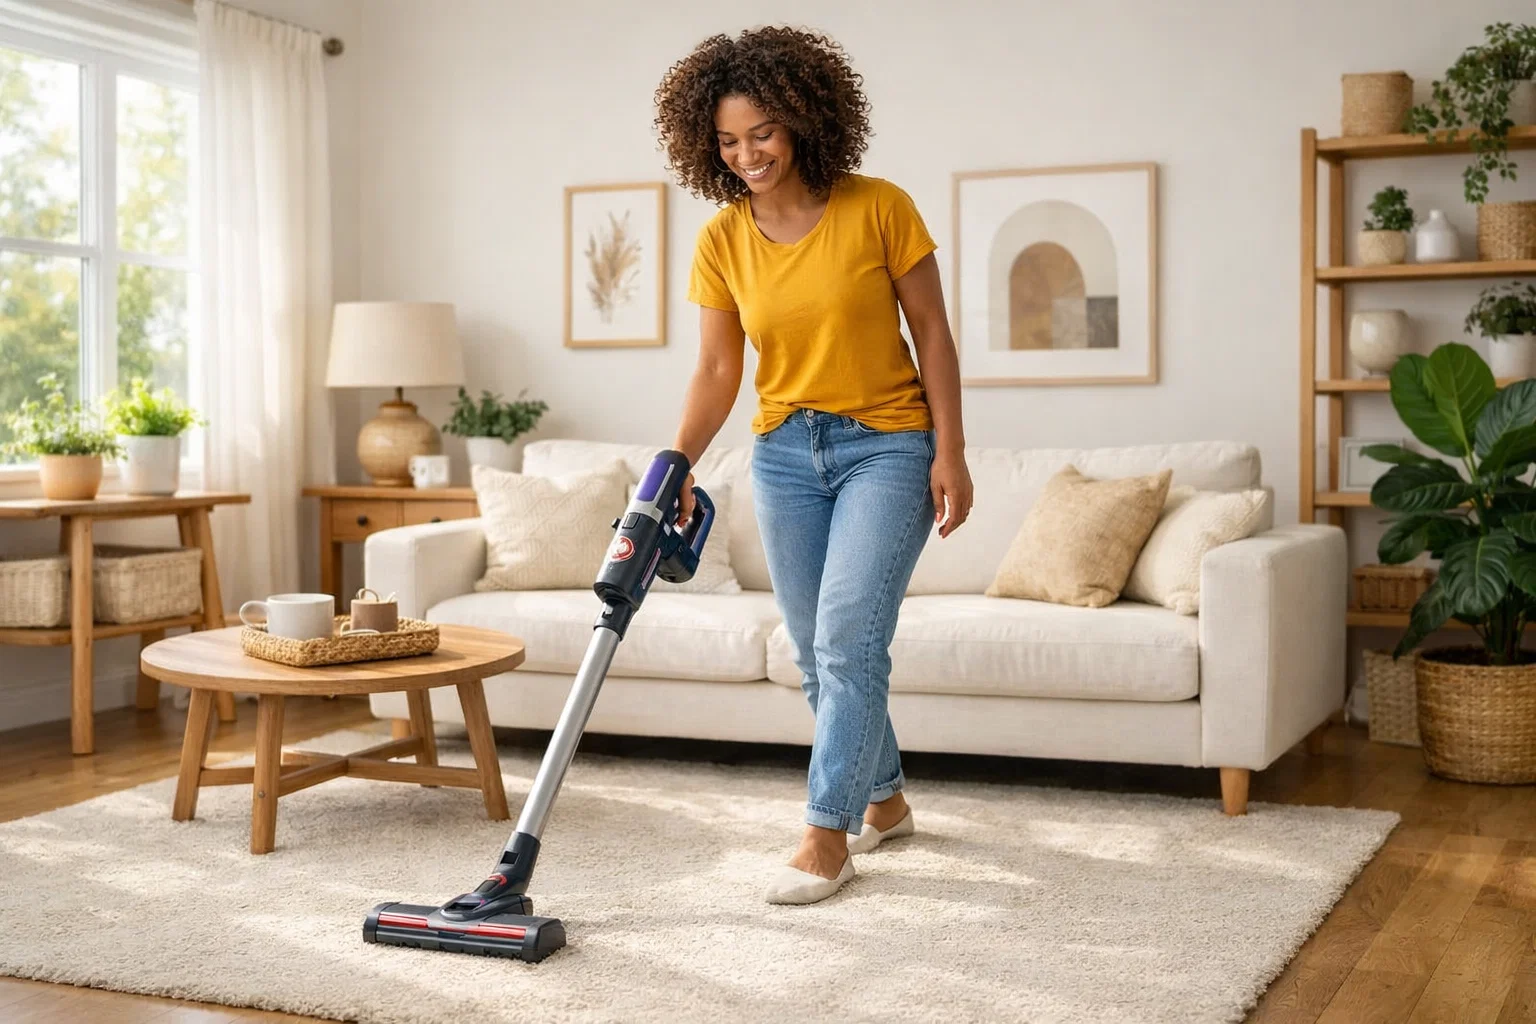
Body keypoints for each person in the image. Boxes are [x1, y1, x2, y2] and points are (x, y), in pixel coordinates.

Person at [654, 26, 973, 904]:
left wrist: (951, 451)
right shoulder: (723, 239)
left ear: (801, 118)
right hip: (785, 453)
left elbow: (933, 334)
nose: (747, 154)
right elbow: (717, 369)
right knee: (814, 652)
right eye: (728, 140)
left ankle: (827, 837)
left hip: (888, 444)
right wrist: (677, 461)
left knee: (846, 639)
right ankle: (887, 801)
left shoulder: (880, 207)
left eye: (762, 132)